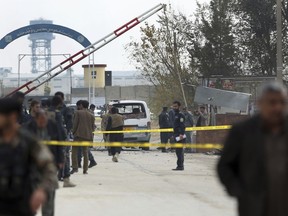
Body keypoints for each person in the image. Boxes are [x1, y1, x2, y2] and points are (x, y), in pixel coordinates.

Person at [217, 82, 288, 216]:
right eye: (272, 102)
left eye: (282, 102)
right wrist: (239, 192)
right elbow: (224, 166)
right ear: (260, 104)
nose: (278, 107)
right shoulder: (242, 131)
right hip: (254, 207)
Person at [0, 98, 57, 216]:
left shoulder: (28, 141)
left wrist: (42, 190)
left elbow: (49, 168)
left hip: (22, 203)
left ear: (12, 116)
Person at [25, 109, 66, 216]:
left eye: (45, 120)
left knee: (49, 194)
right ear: (36, 119)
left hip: (50, 164)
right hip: (32, 166)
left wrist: (60, 159)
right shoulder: (28, 128)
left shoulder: (52, 125)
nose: (43, 123)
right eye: (41, 120)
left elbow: (59, 143)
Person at [48, 96, 75, 187]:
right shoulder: (57, 113)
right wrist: (64, 137)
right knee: (64, 158)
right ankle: (66, 179)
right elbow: (59, 128)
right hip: (58, 140)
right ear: (59, 103)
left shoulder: (45, 112)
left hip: (47, 140)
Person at [71, 100, 95, 174]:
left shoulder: (77, 112)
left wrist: (73, 132)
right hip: (87, 136)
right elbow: (92, 127)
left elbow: (75, 124)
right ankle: (85, 169)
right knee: (85, 152)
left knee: (74, 151)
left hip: (78, 135)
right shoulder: (91, 115)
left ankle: (75, 167)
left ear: (81, 105)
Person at [76, 100, 97, 169]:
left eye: (78, 106)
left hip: (81, 133)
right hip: (88, 132)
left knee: (84, 148)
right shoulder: (90, 113)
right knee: (81, 148)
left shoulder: (80, 113)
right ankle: (79, 162)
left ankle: (92, 160)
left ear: (81, 105)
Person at [172, 101, 186, 171]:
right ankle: (179, 165)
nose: (174, 108)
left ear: (179, 107)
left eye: (176, 106)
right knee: (178, 151)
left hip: (180, 135)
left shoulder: (181, 115)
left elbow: (182, 125)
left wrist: (181, 134)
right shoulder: (175, 114)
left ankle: (180, 166)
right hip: (176, 134)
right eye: (173, 106)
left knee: (179, 151)